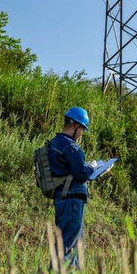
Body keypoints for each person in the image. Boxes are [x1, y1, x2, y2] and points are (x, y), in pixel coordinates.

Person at [49, 106, 95, 262]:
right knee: (68, 248)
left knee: (73, 248)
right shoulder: (71, 147)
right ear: (76, 125)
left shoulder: (54, 143)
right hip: (72, 202)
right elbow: (81, 174)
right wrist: (92, 167)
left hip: (61, 199)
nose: (82, 134)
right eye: (83, 129)